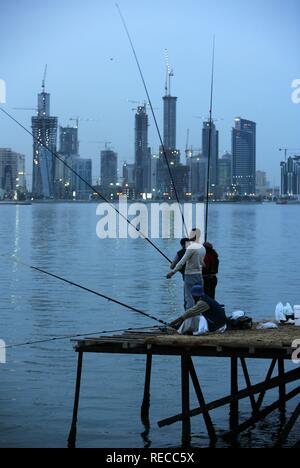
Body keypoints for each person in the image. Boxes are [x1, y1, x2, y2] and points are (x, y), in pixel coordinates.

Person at [167, 228, 206, 310]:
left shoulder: (190, 249)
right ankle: (199, 315)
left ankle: (189, 319)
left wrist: (172, 272)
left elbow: (181, 262)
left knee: (189, 298)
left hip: (189, 276)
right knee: (199, 297)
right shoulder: (202, 248)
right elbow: (203, 264)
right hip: (199, 275)